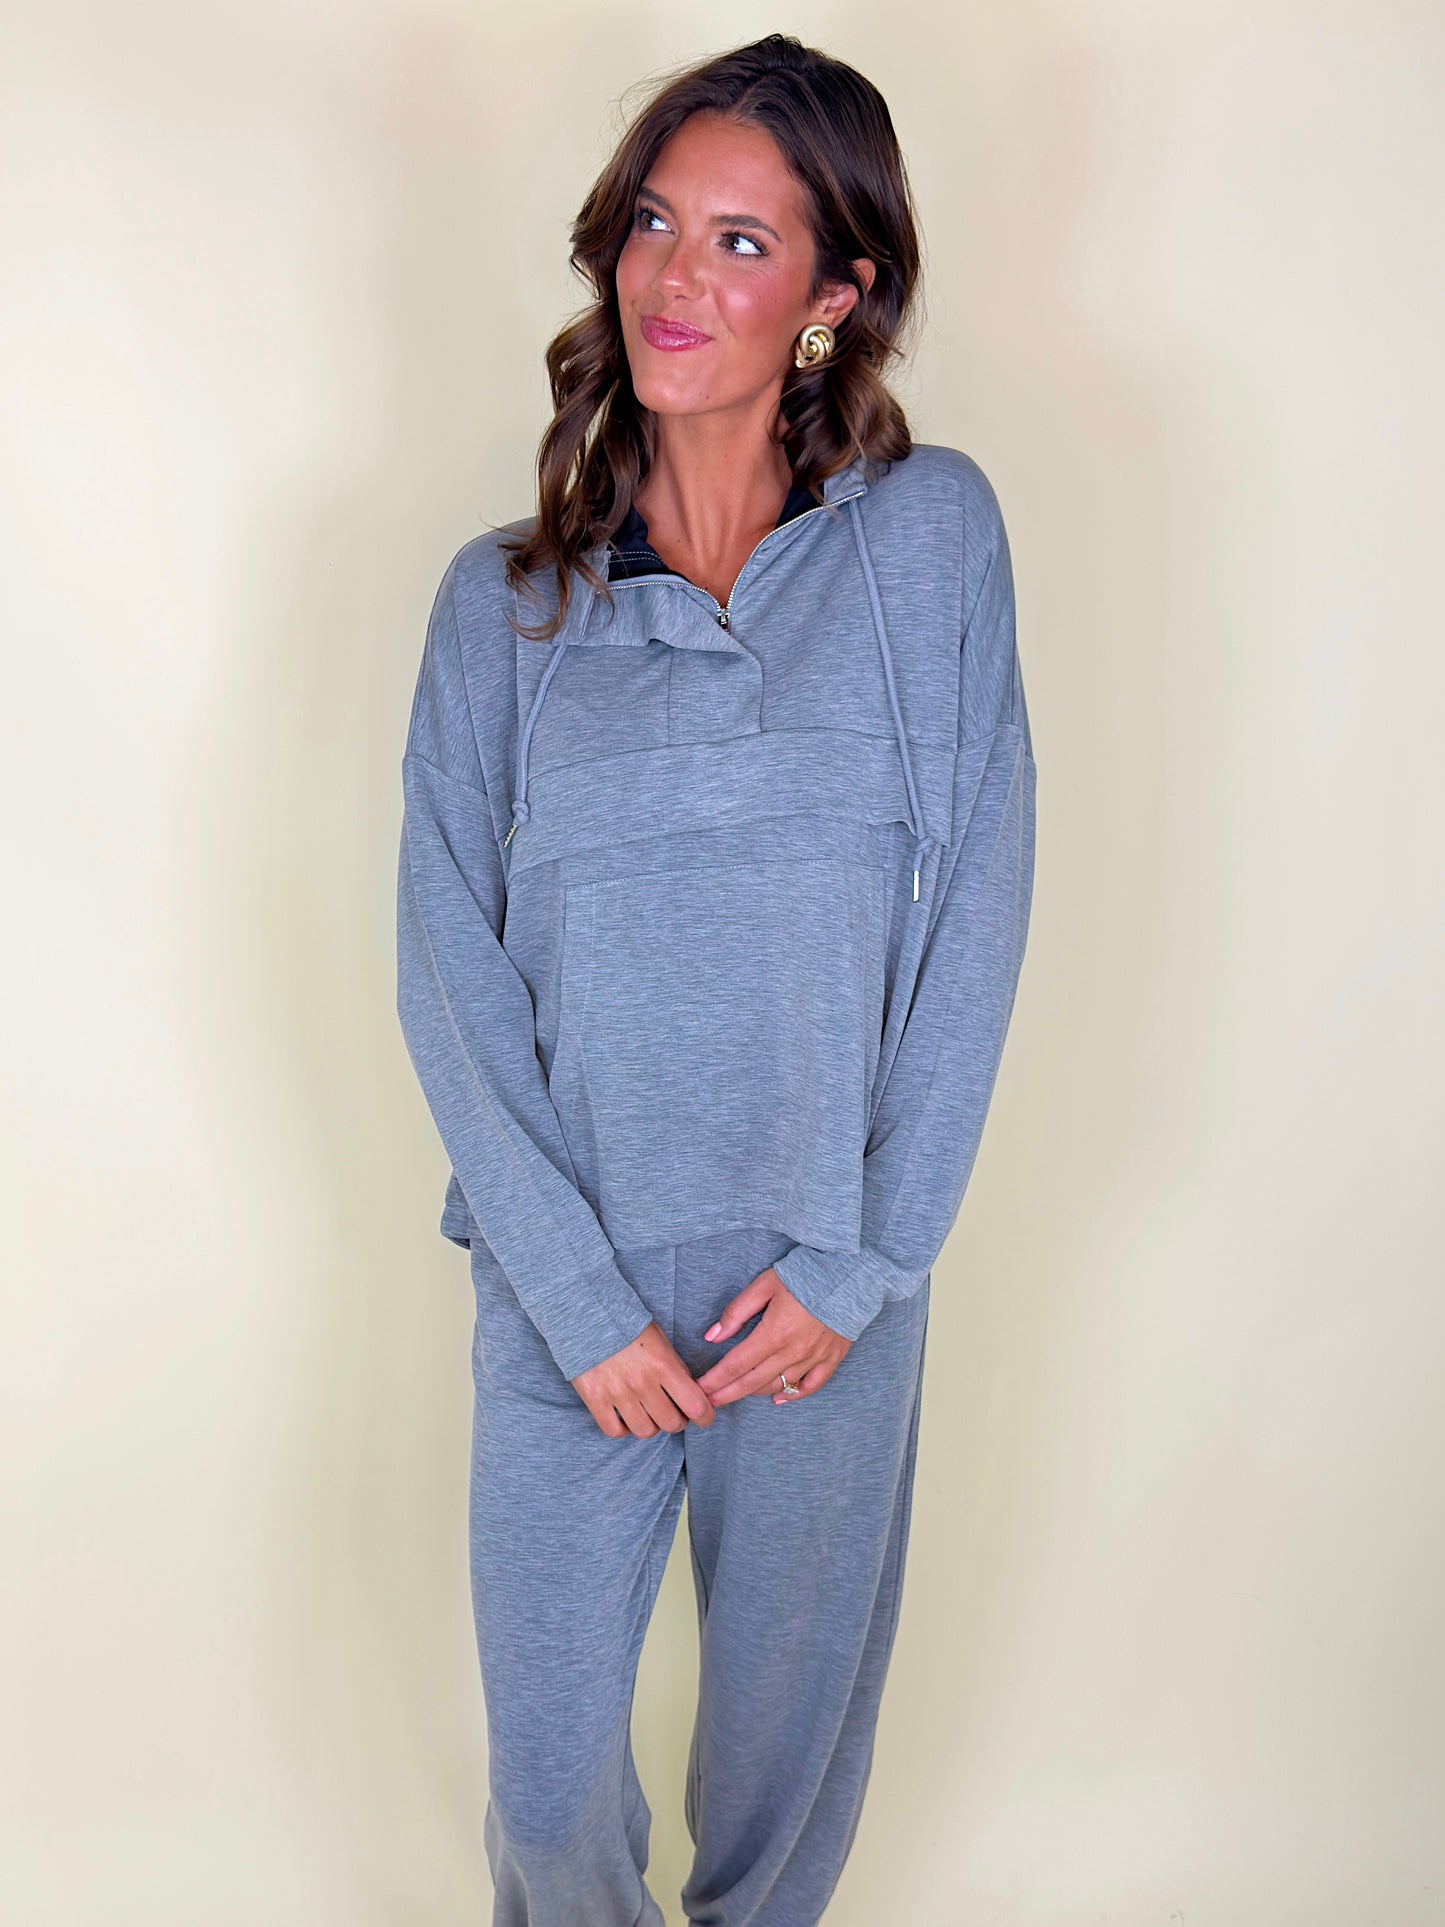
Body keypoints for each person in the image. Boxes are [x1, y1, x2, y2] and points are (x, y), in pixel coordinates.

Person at [395, 31, 1037, 1927]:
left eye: (745, 244)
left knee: (778, 1800)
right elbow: (444, 966)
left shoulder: (931, 545)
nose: (679, 279)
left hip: (818, 1283)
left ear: (838, 294)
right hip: (567, 1295)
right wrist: (574, 1299)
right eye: (657, 225)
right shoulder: (503, 605)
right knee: (548, 1793)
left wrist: (865, 1260)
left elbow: (978, 910)